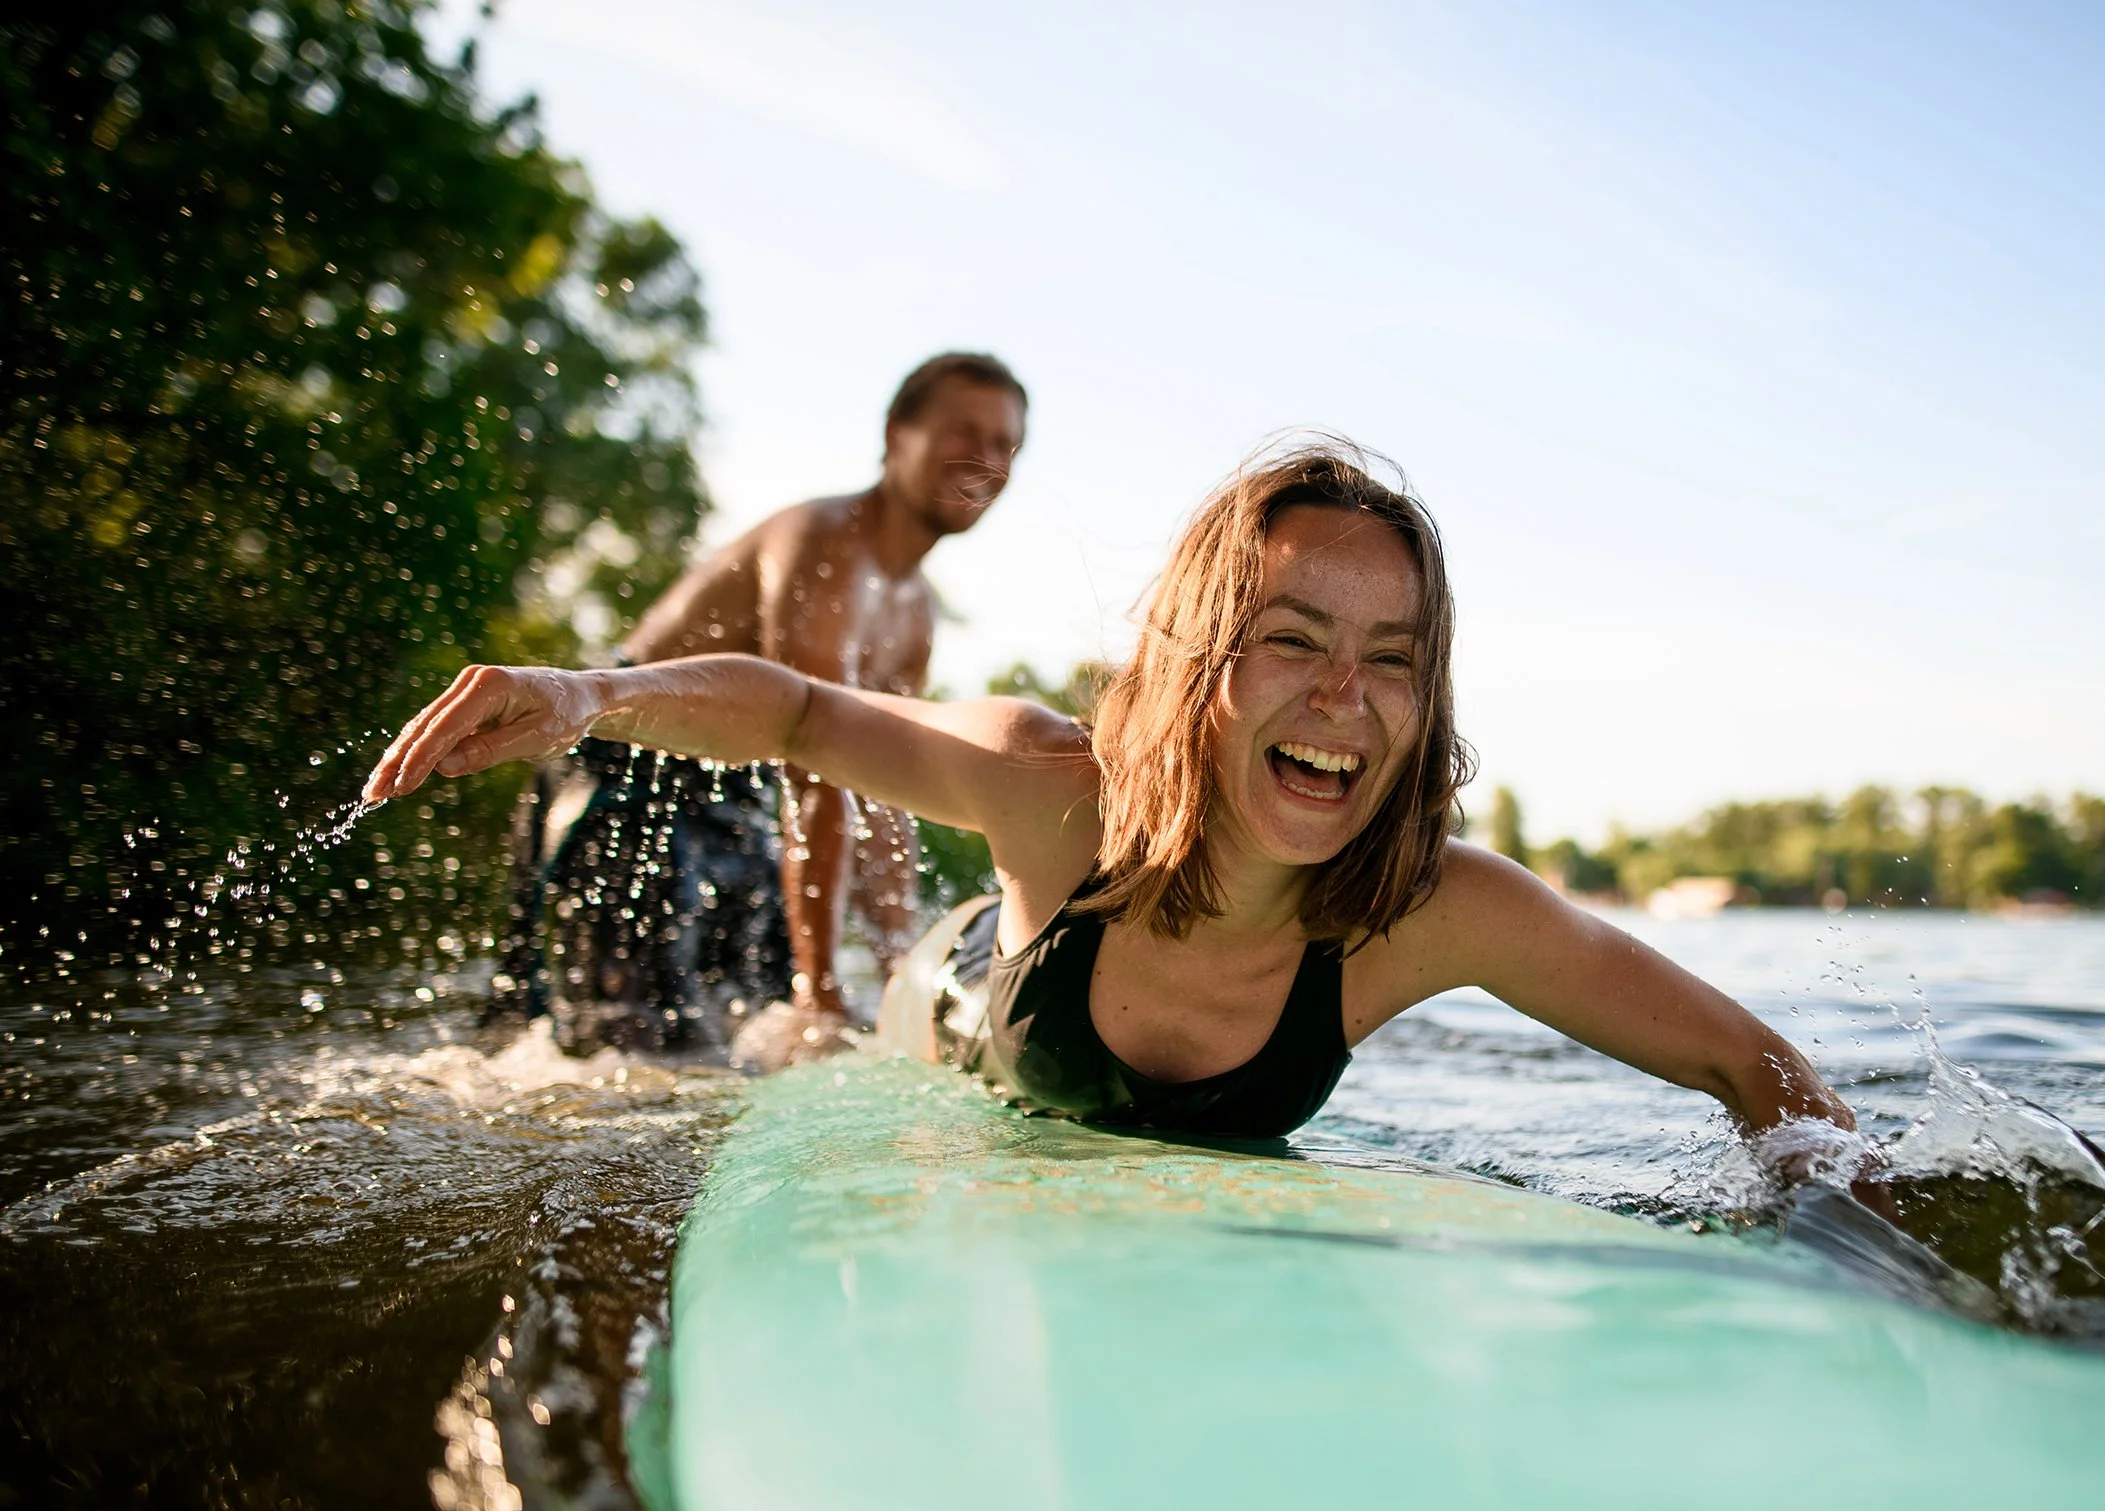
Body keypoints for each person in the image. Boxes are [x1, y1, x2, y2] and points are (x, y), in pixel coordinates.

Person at [371, 439, 1863, 1153]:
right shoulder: (1052, 797)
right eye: (1294, 640)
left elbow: (1758, 1069)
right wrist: (592, 693)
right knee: (772, 1039)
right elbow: (807, 711)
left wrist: (1884, 1248)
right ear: (1204, 664)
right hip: (960, 1008)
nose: (1345, 697)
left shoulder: (1439, 913)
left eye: (1393, 660)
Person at [485, 351, 1028, 1060]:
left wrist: (902, 970)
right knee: (622, 1059)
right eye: (964, 431)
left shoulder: (915, 613)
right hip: (624, 777)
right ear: (898, 433)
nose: (985, 458)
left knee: (730, 1048)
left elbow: (882, 795)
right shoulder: (826, 542)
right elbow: (819, 771)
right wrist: (823, 989)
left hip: (737, 800)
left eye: (1004, 443)